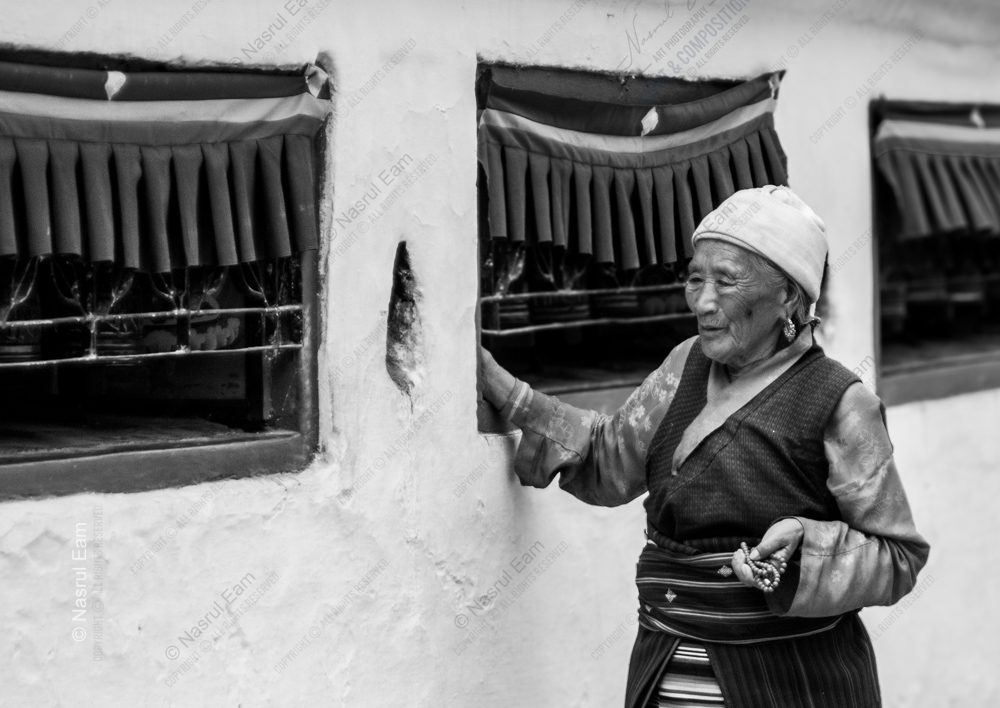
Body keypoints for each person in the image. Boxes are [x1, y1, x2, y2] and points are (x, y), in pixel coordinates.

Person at [478, 185, 930, 708]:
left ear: (788, 295)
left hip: (796, 682)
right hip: (668, 665)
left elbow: (899, 557)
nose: (703, 301)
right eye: (696, 278)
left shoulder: (840, 403)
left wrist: (804, 545)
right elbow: (610, 458)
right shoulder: (684, 365)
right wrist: (515, 400)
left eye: (727, 281)